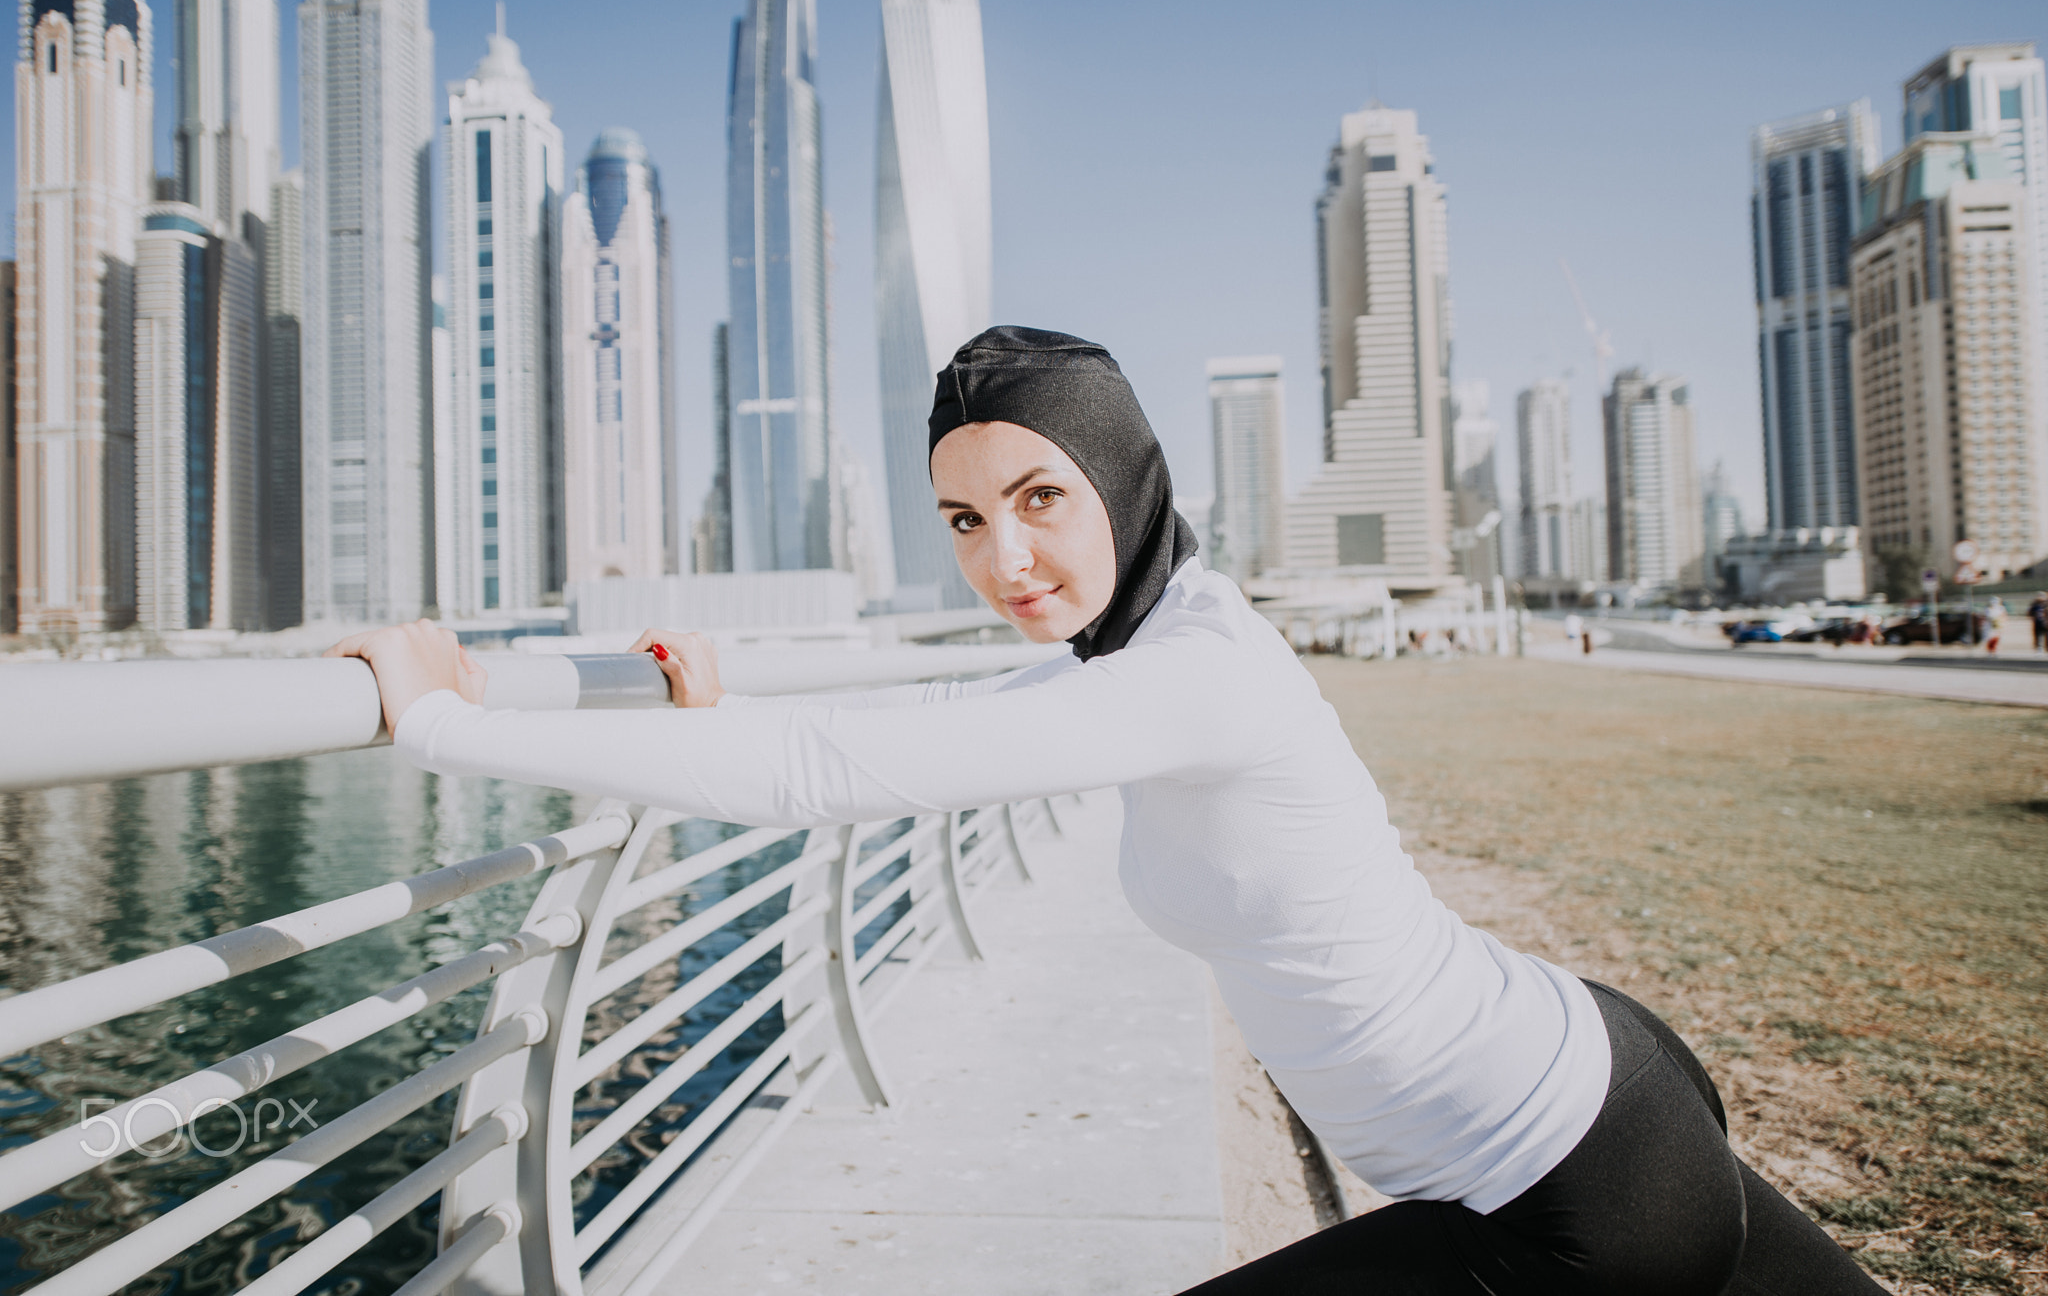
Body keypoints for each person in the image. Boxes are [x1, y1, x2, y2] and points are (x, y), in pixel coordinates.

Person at [332, 327, 1883, 1294]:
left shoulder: (1194, 669)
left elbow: (840, 781)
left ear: (1123, 477)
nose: (1005, 559)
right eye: (962, 519)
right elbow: (921, 727)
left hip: (1570, 1182)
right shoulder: (1143, 646)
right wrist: (713, 709)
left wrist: (451, 722)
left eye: (1040, 499)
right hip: (1586, 1076)